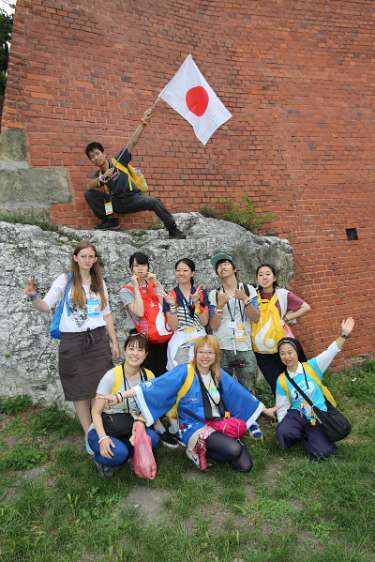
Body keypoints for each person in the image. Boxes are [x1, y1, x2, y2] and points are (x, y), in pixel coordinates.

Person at [100, 335, 276, 472]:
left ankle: (206, 449)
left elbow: (240, 395)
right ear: (195, 353)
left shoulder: (218, 374)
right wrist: (120, 396)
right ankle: (195, 448)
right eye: (201, 352)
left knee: (245, 466)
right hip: (193, 426)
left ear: (216, 355)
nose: (205, 357)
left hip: (217, 423)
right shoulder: (184, 371)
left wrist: (265, 409)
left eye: (210, 352)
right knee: (234, 450)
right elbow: (153, 386)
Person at [23, 241, 120, 453]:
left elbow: (107, 313)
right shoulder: (65, 279)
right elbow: (45, 305)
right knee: (78, 391)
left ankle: (98, 429)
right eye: (83, 256)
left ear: (95, 259)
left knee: (99, 388)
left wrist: (114, 341)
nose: (87, 260)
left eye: (91, 256)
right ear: (75, 257)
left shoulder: (99, 281)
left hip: (98, 340)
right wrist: (33, 296)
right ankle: (89, 434)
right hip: (73, 342)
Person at [84, 106, 186, 238]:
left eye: (97, 154)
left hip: (133, 199)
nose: (95, 158)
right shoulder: (98, 175)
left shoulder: (118, 161)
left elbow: (132, 142)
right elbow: (89, 186)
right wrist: (102, 178)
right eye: (92, 157)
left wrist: (143, 122)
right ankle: (110, 221)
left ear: (104, 153)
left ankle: (173, 230)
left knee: (155, 202)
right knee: (92, 195)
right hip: (117, 203)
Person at [88, 333, 178, 477]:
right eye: (131, 348)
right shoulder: (111, 376)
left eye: (140, 350)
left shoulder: (149, 376)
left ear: (146, 354)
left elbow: (150, 408)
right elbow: (95, 412)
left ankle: (128, 452)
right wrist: (103, 438)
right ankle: (100, 458)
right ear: (125, 350)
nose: (135, 353)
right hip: (106, 429)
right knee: (119, 454)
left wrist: (148, 428)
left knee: (153, 439)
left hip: (132, 427)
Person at [275, 318, 355, 460]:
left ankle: (309, 436)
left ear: (297, 352)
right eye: (282, 353)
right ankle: (297, 432)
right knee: (283, 432)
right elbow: (282, 407)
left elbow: (331, 351)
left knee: (323, 453)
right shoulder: (281, 380)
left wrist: (343, 335)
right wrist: (283, 428)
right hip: (297, 415)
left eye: (290, 352)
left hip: (317, 416)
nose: (286, 356)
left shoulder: (312, 367)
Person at [208, 253, 260, 437]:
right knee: (222, 387)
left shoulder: (249, 289)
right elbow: (213, 325)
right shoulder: (214, 294)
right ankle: (229, 423)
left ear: (234, 268)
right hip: (222, 347)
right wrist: (220, 306)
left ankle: (252, 421)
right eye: (218, 266)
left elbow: (256, 318)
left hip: (244, 345)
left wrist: (245, 299)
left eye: (225, 264)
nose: (222, 267)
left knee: (248, 385)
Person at [252, 264, 311, 395]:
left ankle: (304, 406)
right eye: (260, 275)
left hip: (282, 346)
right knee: (276, 383)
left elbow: (305, 307)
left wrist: (287, 317)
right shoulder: (252, 296)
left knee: (294, 378)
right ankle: (285, 411)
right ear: (257, 279)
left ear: (274, 278)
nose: (264, 277)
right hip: (262, 350)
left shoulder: (283, 294)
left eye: (268, 274)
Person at [119, 252, 172, 377]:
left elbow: (166, 307)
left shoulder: (153, 285)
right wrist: (137, 287)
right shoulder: (126, 290)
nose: (140, 268)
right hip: (140, 338)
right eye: (136, 265)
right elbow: (139, 312)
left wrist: (157, 284)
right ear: (130, 269)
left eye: (143, 265)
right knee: (144, 375)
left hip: (159, 335)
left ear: (148, 267)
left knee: (162, 373)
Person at [164, 258, 209, 369]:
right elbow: (173, 326)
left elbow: (204, 322)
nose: (181, 273)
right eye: (178, 270)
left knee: (201, 373)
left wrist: (197, 303)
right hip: (180, 340)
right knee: (181, 375)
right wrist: (172, 305)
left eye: (185, 270)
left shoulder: (201, 294)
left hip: (199, 338)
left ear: (192, 273)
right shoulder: (171, 295)